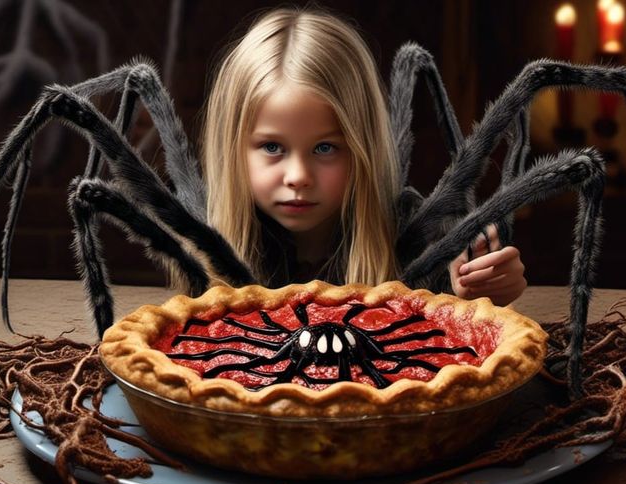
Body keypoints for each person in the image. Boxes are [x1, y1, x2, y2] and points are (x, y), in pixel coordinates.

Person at [197, 8, 526, 300]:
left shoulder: (420, 238)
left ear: (362, 147)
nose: (297, 176)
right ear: (231, 149)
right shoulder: (204, 249)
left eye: (325, 148)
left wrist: (482, 282)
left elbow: (466, 288)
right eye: (272, 147)